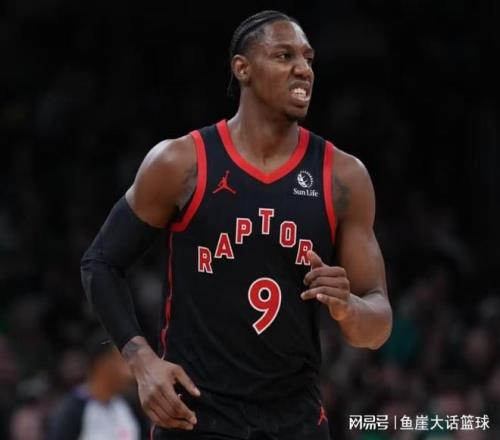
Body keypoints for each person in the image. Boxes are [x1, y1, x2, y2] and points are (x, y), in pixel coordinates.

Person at [81, 10, 392, 440]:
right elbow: (100, 262)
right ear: (242, 68)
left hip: (295, 420)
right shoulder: (183, 162)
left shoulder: (343, 177)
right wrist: (142, 361)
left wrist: (348, 308)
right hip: (195, 416)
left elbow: (378, 322)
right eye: (284, 56)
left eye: (307, 58)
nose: (303, 69)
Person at [47, 332, 141, 440]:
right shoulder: (73, 410)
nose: (130, 373)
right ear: (103, 365)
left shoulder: (129, 406)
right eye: (122, 362)